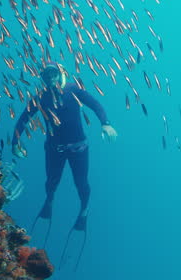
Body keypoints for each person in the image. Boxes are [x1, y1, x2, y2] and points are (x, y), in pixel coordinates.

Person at [11, 62, 117, 233]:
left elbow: (95, 104)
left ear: (60, 73)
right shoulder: (40, 97)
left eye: (53, 74)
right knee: (51, 181)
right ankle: (49, 202)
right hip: (54, 149)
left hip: (79, 149)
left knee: (81, 183)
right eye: (46, 76)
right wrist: (15, 143)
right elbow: (23, 119)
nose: (50, 78)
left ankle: (84, 211)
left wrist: (106, 124)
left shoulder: (73, 89)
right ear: (43, 79)